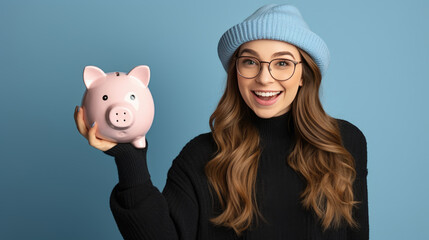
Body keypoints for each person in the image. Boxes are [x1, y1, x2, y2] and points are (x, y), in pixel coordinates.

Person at [74, 4, 368, 240]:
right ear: (235, 71)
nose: (264, 78)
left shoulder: (345, 142)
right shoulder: (200, 156)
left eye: (282, 63)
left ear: (304, 74)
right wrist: (129, 157)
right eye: (250, 61)